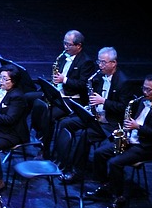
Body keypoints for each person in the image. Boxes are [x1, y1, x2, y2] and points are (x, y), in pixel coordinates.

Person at [86, 75, 152, 208]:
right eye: (144, 88)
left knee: (115, 162)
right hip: (130, 140)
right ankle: (105, 185)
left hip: (147, 147)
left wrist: (137, 127)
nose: (145, 92)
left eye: (149, 90)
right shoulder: (140, 101)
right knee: (99, 153)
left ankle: (118, 196)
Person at [54, 46, 133, 184]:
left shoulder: (123, 82)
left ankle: (77, 172)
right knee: (66, 123)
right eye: (99, 61)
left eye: (103, 62)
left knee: (86, 135)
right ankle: (62, 161)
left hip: (111, 123)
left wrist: (103, 101)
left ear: (113, 63)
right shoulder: (99, 77)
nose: (100, 65)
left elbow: (123, 108)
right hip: (97, 116)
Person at [28, 30, 93, 157]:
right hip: (59, 93)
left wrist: (64, 80)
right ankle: (36, 134)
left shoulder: (86, 62)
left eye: (68, 45)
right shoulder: (63, 56)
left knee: (49, 115)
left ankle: (44, 150)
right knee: (31, 99)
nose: (65, 47)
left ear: (78, 45)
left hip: (73, 99)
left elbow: (83, 85)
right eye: (64, 43)